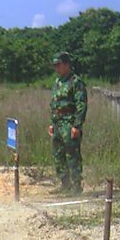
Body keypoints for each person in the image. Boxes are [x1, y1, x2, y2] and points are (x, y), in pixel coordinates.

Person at [48, 52, 88, 195]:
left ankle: (76, 186)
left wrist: (77, 126)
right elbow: (55, 104)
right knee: (58, 155)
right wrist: (52, 123)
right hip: (58, 124)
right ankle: (65, 185)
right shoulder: (57, 82)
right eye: (55, 65)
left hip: (69, 124)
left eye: (58, 65)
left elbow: (81, 105)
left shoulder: (75, 82)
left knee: (72, 155)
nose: (56, 68)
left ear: (66, 64)